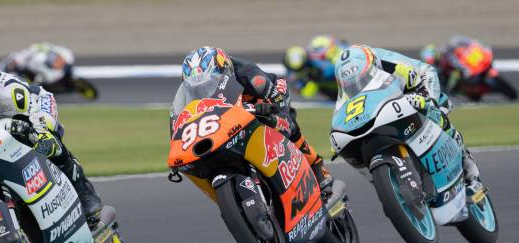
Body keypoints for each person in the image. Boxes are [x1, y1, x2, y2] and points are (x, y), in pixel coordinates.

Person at [0, 49, 103, 226]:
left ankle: (83, 191)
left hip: (36, 108)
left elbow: (36, 113)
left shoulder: (9, 92)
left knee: (48, 142)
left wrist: (37, 130)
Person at [181, 46, 333, 188]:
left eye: (209, 85)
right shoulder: (193, 94)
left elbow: (278, 103)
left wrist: (268, 110)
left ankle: (316, 166)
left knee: (284, 124)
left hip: (267, 97)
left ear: (225, 71)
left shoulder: (250, 76)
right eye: (198, 89)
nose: (204, 91)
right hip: (231, 108)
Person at [335, 45, 479, 184]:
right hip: (392, 92)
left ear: (372, 69)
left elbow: (417, 81)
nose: (358, 87)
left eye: (363, 81)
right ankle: (378, 180)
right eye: (352, 86)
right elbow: (341, 110)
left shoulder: (394, 66)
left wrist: (424, 100)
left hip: (421, 78)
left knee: (429, 108)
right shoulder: (347, 86)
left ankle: (464, 156)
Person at [283, 35, 349, 100]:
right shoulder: (292, 74)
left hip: (342, 79)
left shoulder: (318, 49)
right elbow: (306, 93)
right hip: (333, 90)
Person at [0, 42, 74, 87]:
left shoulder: (65, 58)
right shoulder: (42, 53)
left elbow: (46, 78)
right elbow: (36, 47)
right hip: (28, 68)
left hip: (36, 73)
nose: (57, 63)